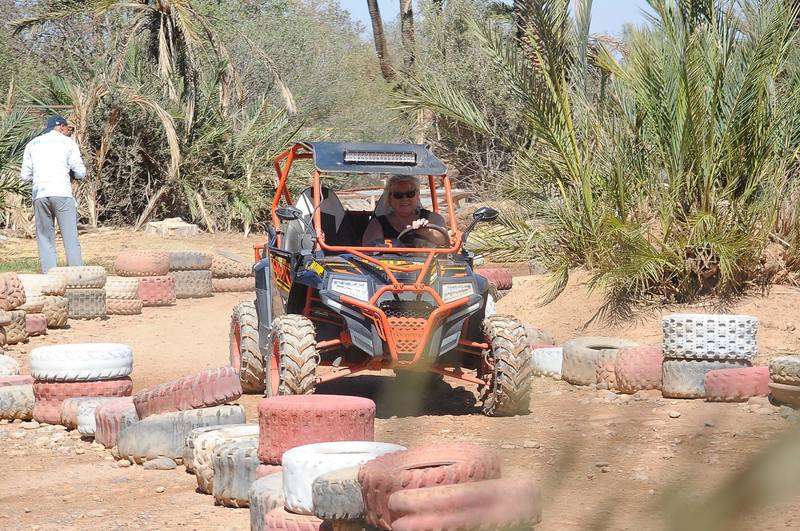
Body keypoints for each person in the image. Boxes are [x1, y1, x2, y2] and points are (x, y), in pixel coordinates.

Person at [20, 115, 86, 272]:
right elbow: (80, 172)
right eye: (67, 128)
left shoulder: (32, 144)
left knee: (45, 238)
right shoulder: (68, 143)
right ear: (62, 127)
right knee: (70, 237)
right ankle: (76, 276)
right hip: (62, 193)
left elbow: (25, 176)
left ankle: (50, 276)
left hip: (40, 195)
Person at [362, 174, 449, 247]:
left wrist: (428, 233)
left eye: (410, 194)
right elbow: (368, 251)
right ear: (389, 198)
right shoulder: (378, 224)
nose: (405, 199)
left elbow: (444, 241)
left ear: (417, 195)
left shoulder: (433, 218)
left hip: (427, 265)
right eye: (398, 195)